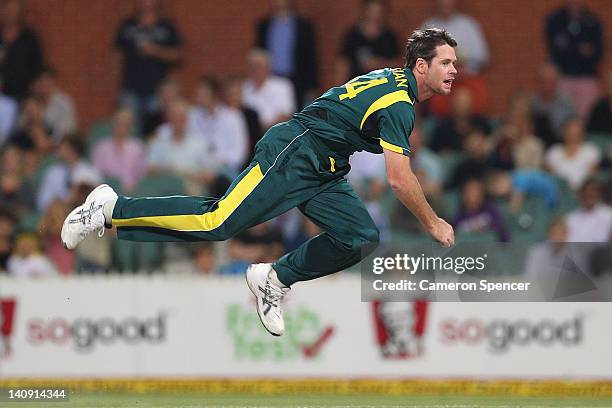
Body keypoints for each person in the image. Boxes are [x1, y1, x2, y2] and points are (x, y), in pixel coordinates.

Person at [61, 28, 457, 337]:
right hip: (297, 151)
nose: (454, 70)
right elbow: (399, 180)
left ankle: (273, 278)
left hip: (325, 165)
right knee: (217, 222)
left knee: (360, 236)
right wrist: (433, 221)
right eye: (445, 62)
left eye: (454, 62)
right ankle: (111, 208)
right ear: (421, 67)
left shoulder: (392, 80)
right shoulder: (400, 103)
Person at [114, 0, 182, 120]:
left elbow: (178, 54)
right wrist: (117, 84)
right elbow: (117, 55)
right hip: (130, 89)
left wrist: (155, 50)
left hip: (157, 90)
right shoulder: (128, 25)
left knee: (154, 126)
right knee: (131, 127)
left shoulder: (166, 26)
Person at [256, 0, 318, 108]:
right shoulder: (264, 25)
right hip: (271, 78)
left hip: (297, 79)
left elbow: (311, 58)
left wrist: (312, 86)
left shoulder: (303, 25)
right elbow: (259, 53)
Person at [338, 0, 400, 80]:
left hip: (382, 87)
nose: (375, 15)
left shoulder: (390, 37)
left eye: (379, 11)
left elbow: (398, 66)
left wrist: (379, 64)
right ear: (364, 10)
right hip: (355, 88)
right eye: (372, 11)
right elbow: (343, 65)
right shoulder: (353, 36)